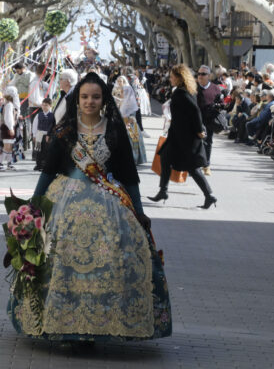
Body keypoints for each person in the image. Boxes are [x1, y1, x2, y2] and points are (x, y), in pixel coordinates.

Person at [9, 72, 171, 341]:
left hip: (110, 207)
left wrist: (139, 211)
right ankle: (60, 321)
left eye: (95, 97)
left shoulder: (115, 131)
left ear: (104, 99)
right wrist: (33, 206)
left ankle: (102, 322)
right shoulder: (64, 131)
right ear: (77, 99)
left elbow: (129, 176)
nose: (89, 101)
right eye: (84, 97)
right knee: (57, 259)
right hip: (63, 205)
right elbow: (48, 172)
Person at [149, 64, 217, 209]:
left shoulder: (182, 93)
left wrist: (199, 130)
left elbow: (195, 111)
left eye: (173, 77)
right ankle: (163, 191)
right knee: (165, 157)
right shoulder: (184, 91)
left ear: (180, 78)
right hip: (178, 136)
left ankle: (209, 195)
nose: (170, 79)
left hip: (186, 138)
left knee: (193, 168)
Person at [196, 65, 222, 176]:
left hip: (210, 119)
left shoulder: (216, 88)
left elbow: (221, 103)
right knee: (195, 142)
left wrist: (220, 105)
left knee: (208, 142)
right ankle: (195, 164)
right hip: (196, 119)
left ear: (209, 76)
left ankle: (206, 165)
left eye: (203, 74)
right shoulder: (193, 87)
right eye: (199, 74)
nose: (200, 76)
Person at [115, 75, 147, 164]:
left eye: (122, 81)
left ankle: (133, 158)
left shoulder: (128, 91)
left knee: (132, 139)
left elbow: (133, 108)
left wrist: (130, 119)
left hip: (128, 120)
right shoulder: (116, 92)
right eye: (118, 81)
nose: (120, 83)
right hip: (118, 120)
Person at [31, 97, 54, 171]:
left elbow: (53, 126)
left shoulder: (53, 116)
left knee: (46, 150)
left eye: (46, 105)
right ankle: (38, 165)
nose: (44, 107)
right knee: (38, 150)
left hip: (48, 135)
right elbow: (35, 125)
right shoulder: (39, 115)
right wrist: (34, 135)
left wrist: (51, 135)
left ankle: (45, 165)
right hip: (39, 135)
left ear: (50, 106)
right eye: (43, 105)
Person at [0, 91, 17, 171]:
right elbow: (8, 118)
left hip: (8, 127)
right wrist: (11, 128)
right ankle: (0, 164)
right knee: (6, 147)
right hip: (7, 127)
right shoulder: (9, 105)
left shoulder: (8, 104)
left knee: (9, 147)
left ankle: (9, 163)